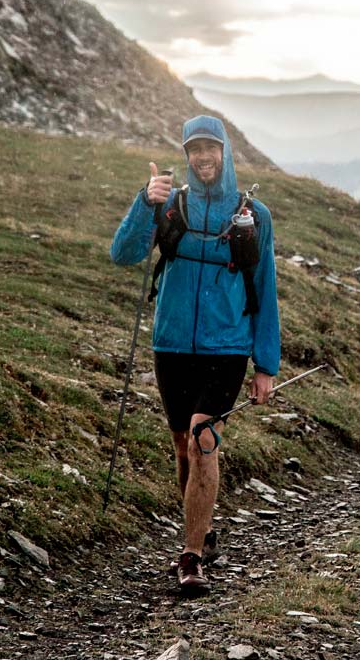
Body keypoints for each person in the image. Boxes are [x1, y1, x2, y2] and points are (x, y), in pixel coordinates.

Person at [110, 114, 280, 595]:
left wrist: (266, 365)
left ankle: (190, 557)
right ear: (186, 156)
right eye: (194, 150)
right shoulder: (168, 206)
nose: (203, 157)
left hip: (227, 348)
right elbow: (122, 255)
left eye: (211, 148)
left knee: (204, 439)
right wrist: (145, 202)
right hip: (171, 345)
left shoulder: (253, 215)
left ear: (225, 152)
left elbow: (265, 288)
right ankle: (201, 530)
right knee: (184, 445)